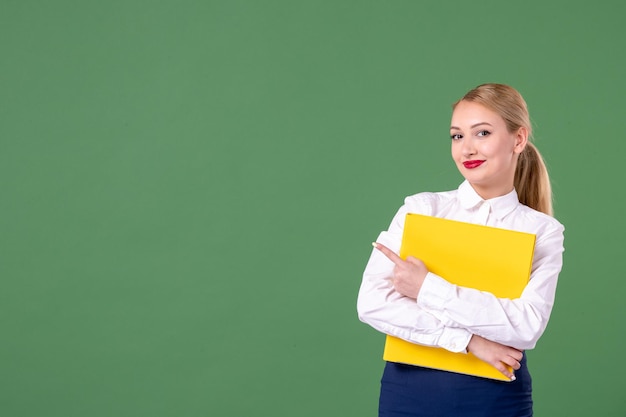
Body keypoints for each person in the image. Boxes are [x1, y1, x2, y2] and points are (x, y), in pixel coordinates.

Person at [356, 83, 564, 417]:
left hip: (495, 397)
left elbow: (525, 326)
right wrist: (470, 342)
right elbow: (372, 304)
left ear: (518, 139)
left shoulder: (541, 232)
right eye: (457, 136)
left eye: (482, 133)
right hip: (409, 394)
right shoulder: (421, 210)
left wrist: (426, 288)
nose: (467, 148)